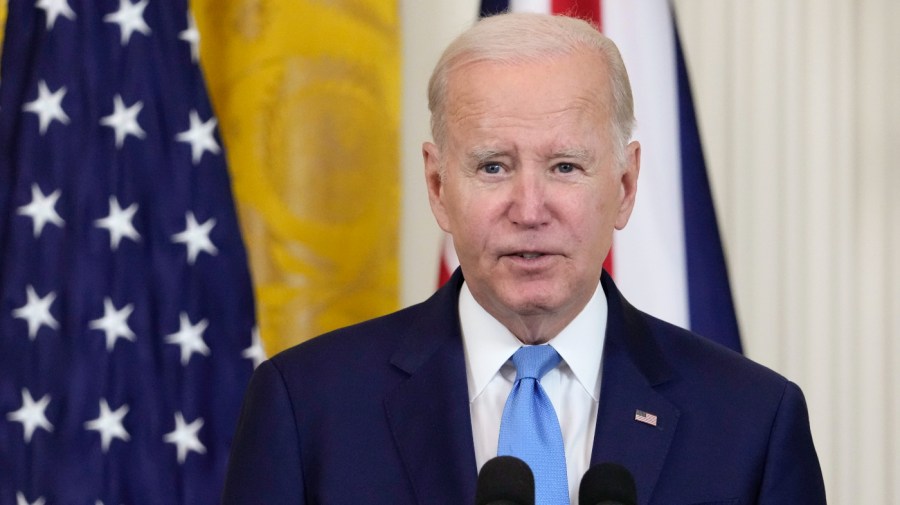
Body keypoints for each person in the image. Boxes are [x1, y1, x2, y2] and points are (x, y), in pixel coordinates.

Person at [222, 12, 826, 505]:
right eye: (493, 166)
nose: (530, 209)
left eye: (565, 166)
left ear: (624, 185)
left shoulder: (751, 424)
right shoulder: (306, 408)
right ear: (438, 185)